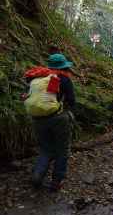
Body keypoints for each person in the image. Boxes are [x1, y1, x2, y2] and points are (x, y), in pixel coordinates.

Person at [24, 53, 75, 192]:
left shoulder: (37, 78)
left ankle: (37, 176)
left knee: (46, 149)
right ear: (64, 66)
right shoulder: (63, 78)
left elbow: (27, 96)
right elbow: (71, 101)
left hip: (37, 119)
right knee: (62, 150)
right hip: (58, 118)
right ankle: (56, 182)